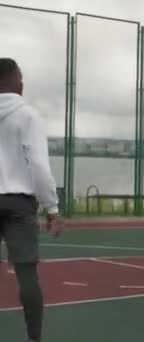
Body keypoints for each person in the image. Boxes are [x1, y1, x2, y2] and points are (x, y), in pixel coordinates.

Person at [0, 58, 62, 342]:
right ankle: (34, 338)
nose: (23, 82)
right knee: (26, 274)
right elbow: (38, 164)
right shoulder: (28, 115)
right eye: (20, 77)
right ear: (11, 80)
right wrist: (52, 207)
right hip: (19, 203)